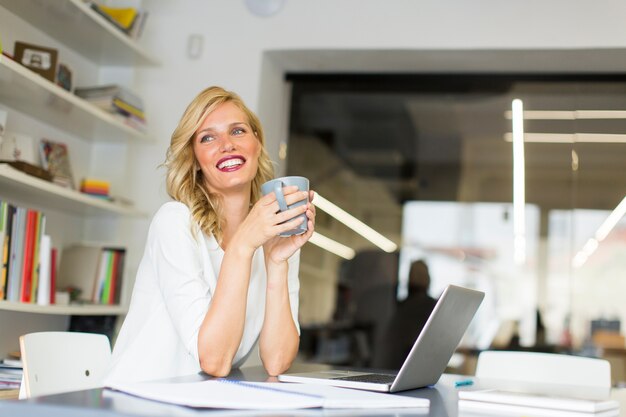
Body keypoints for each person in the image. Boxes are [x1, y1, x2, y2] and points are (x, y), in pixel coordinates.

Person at [105, 86, 315, 383]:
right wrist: (243, 245)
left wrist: (277, 262)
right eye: (208, 137)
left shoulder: (275, 233)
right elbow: (215, 361)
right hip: (138, 401)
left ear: (257, 144)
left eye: (238, 131)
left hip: (206, 402)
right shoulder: (175, 222)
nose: (226, 145)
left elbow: (277, 362)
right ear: (195, 159)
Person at [378, 259, 437, 370]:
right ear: (428, 278)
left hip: (392, 365)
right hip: (416, 367)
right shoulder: (433, 306)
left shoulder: (399, 306)